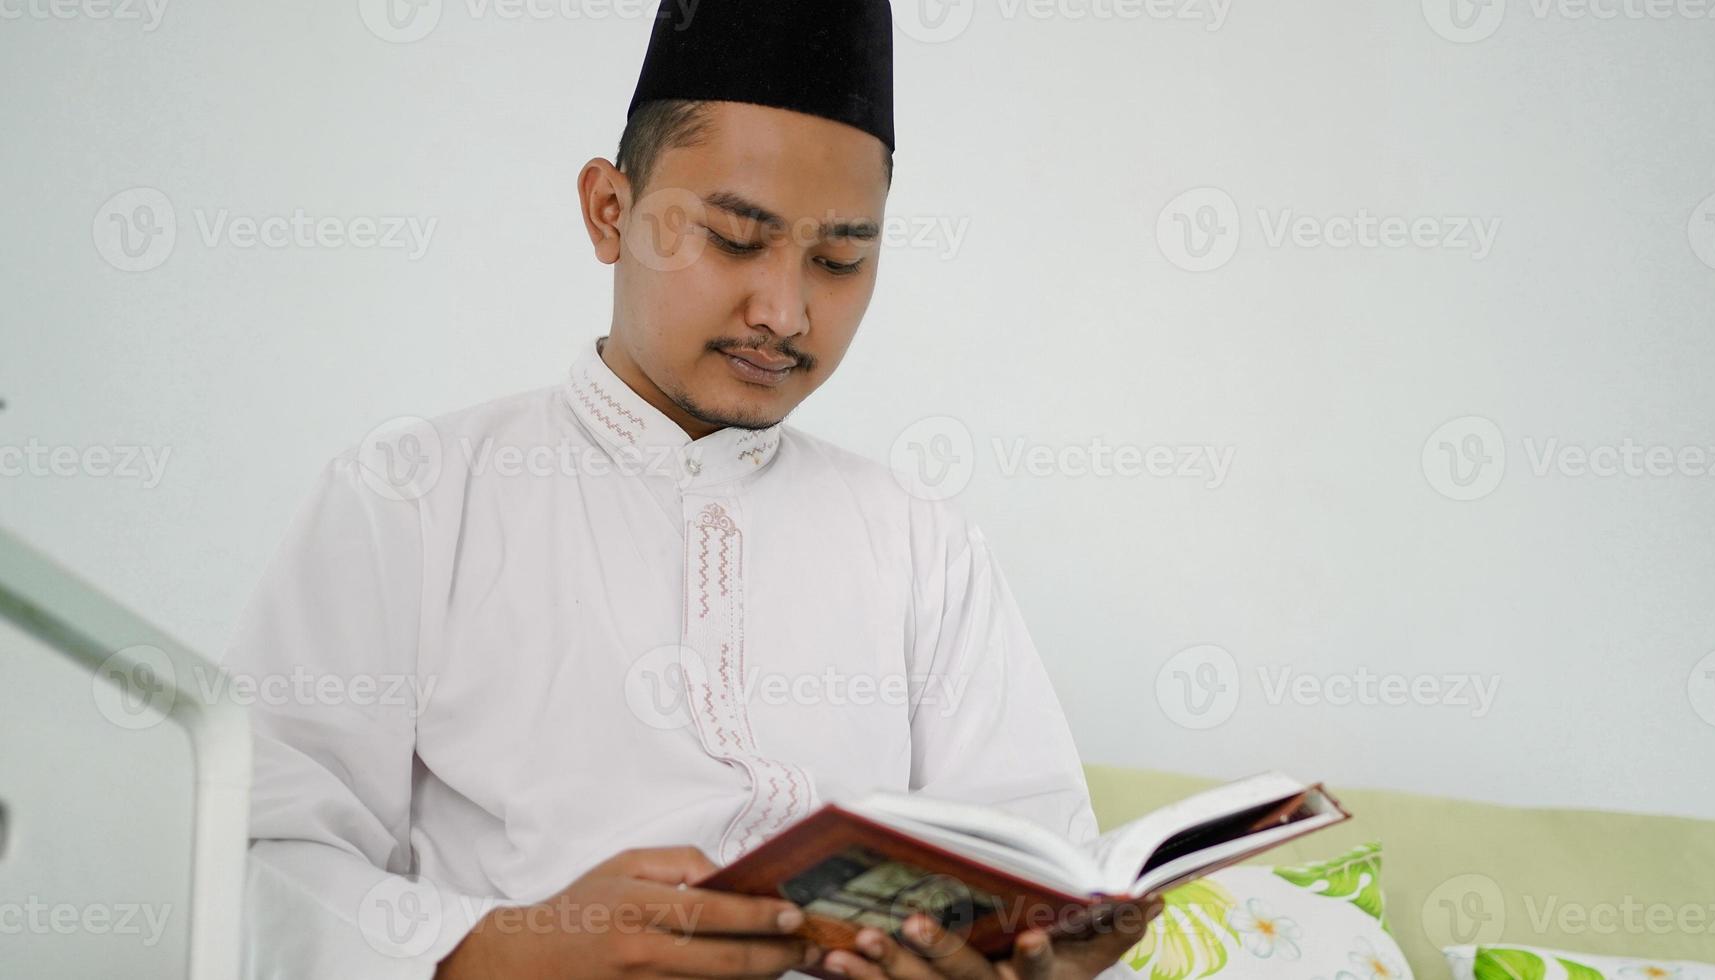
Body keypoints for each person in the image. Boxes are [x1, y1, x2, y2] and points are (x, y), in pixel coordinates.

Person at [223, 2, 1160, 977]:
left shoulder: (920, 542)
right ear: (608, 211)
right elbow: (257, 854)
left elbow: (1031, 850)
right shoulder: (413, 496)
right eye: (733, 239)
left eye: (839, 260)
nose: (784, 312)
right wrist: (506, 947)